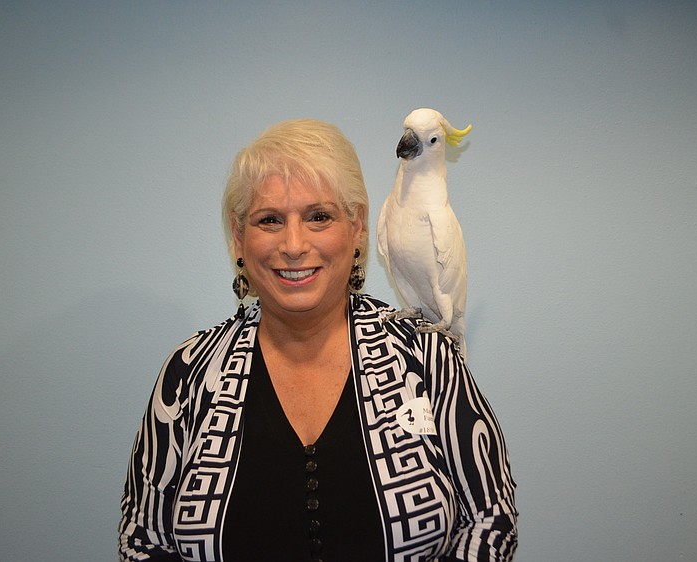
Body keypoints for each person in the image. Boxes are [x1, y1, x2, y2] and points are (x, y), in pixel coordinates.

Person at [118, 119, 518, 561]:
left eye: (319, 217)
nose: (293, 244)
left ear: (358, 228)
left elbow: (490, 518)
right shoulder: (190, 373)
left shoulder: (427, 357)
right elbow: (142, 537)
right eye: (269, 220)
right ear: (238, 237)